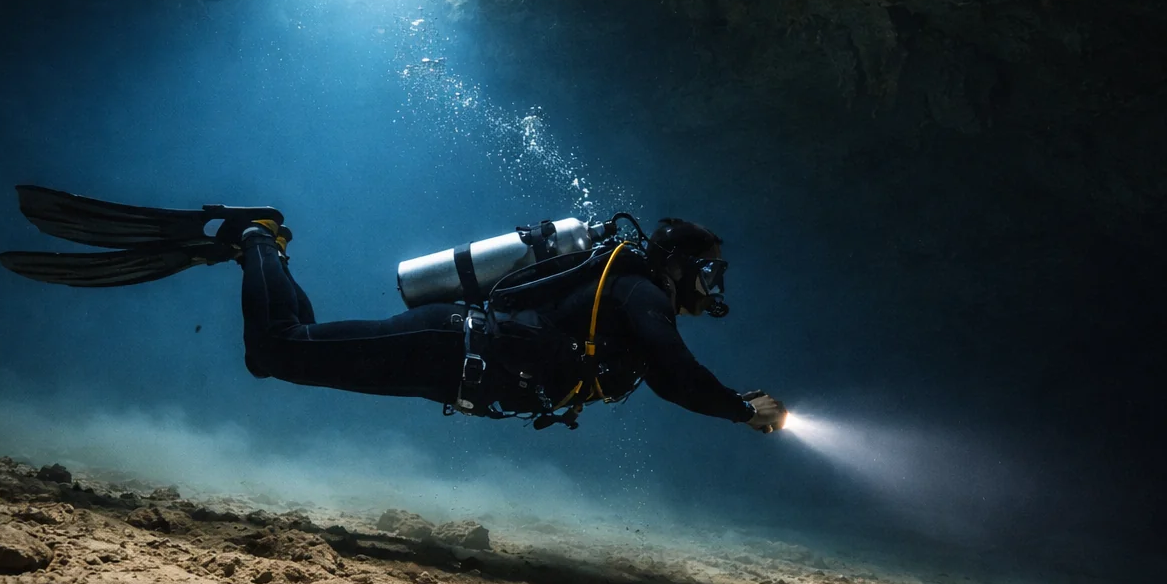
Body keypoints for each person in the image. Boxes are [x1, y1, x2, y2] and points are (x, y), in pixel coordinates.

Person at [229, 215, 787, 433]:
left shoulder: (631, 291)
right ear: (682, 266)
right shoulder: (640, 290)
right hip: (447, 345)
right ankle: (258, 237)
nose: (712, 289)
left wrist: (735, 406)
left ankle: (268, 252)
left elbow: (669, 379)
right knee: (280, 352)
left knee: (275, 358)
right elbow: (677, 372)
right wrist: (741, 408)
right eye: (709, 273)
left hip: (453, 369)